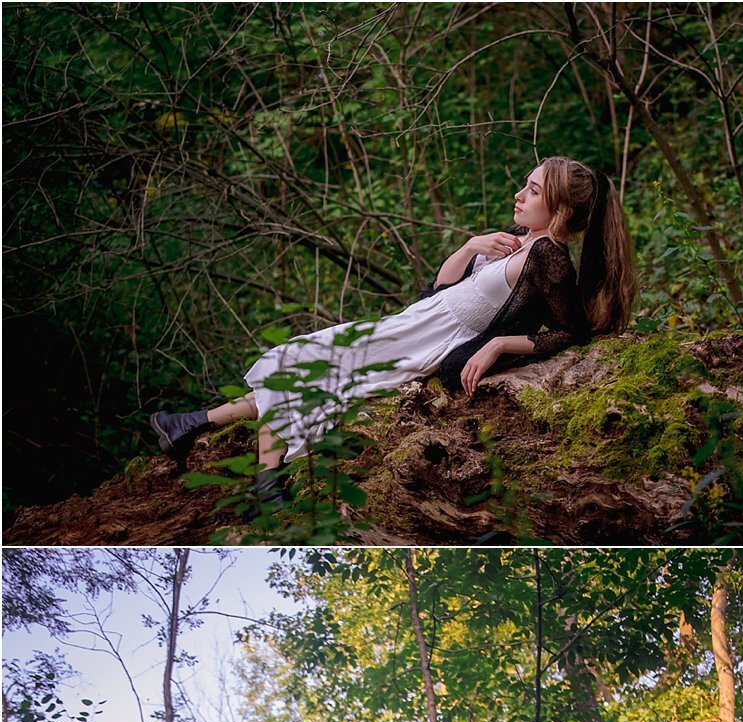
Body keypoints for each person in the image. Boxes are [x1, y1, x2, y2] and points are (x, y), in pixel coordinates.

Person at [147, 157, 635, 509]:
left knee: (296, 361)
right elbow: (435, 293)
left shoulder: (547, 255)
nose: (518, 194)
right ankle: (194, 428)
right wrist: (469, 246)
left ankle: (260, 479)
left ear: (562, 209)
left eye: (532, 190)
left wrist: (499, 344)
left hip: (427, 341)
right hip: (412, 323)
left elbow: (572, 332)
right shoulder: (515, 243)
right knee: (301, 366)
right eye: (524, 186)